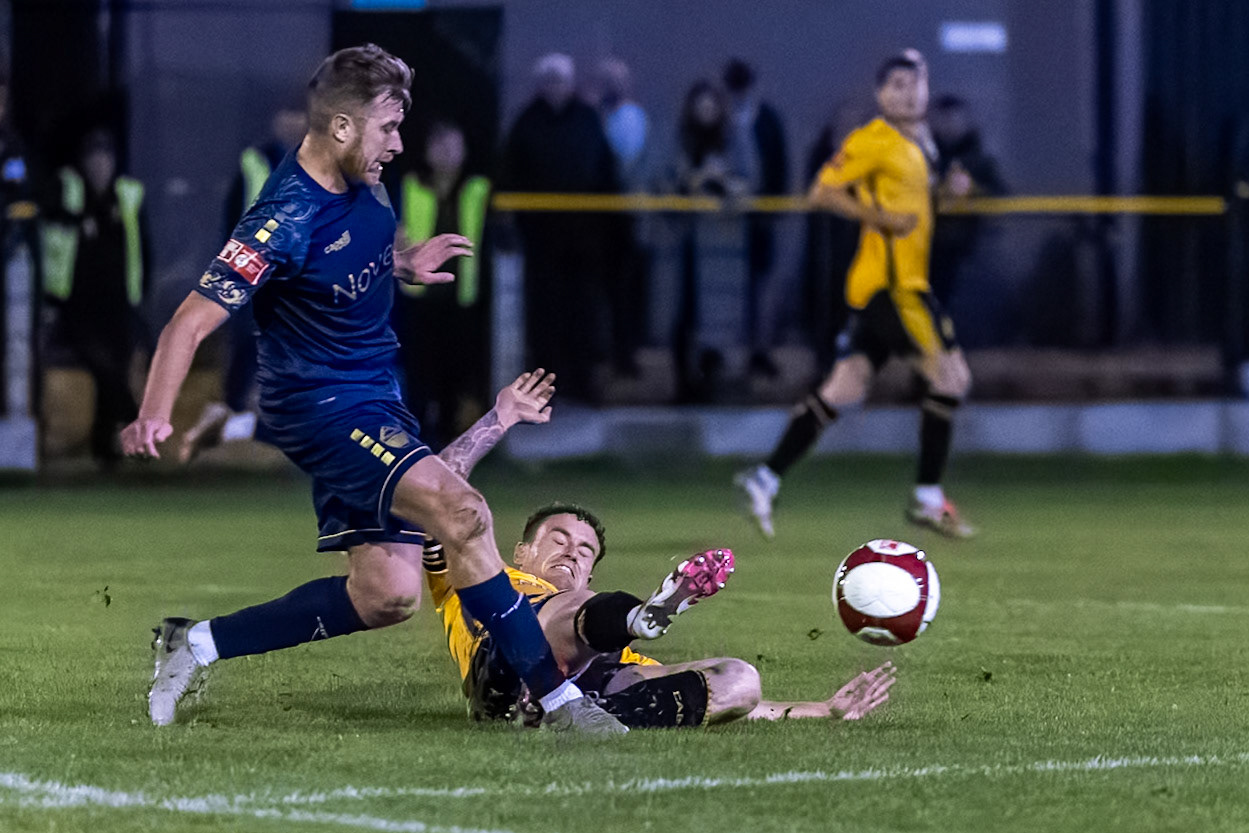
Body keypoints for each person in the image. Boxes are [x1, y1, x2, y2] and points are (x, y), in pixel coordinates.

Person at [121, 44, 626, 735]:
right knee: (464, 512)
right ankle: (559, 700)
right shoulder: (281, 217)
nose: (397, 143)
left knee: (387, 594)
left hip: (375, 396)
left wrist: (403, 262)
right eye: (387, 128)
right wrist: (153, 413)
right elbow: (187, 324)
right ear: (340, 128)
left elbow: (350, 257)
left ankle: (193, 644)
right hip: (320, 405)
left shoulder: (368, 182)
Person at [734, 53, 975, 540]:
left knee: (842, 389)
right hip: (892, 287)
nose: (909, 93)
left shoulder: (923, 141)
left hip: (897, 284)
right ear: (881, 93)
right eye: (898, 85)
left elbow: (921, 208)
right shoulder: (872, 139)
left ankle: (765, 477)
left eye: (917, 84)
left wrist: (952, 195)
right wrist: (879, 218)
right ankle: (928, 497)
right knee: (951, 379)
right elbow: (822, 191)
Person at [424, 503, 895, 728]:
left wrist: (824, 710)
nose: (571, 552)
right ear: (522, 551)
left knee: (740, 678)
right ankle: (641, 618)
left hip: (582, 674)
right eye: (558, 539)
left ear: (591, 572)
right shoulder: (478, 575)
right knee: (557, 617)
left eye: (585, 550)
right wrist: (500, 420)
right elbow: (434, 514)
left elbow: (741, 703)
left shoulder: (605, 638)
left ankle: (577, 716)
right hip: (502, 678)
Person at [180, 102, 308, 463]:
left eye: (300, 113)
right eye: (289, 113)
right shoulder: (255, 162)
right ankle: (230, 417)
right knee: (251, 346)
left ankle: (236, 423)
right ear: (274, 120)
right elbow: (234, 218)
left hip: (294, 280)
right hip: (256, 275)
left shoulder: (317, 162)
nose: (296, 120)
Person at [501, 53, 619, 402]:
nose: (555, 86)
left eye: (560, 79)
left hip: (584, 240)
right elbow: (511, 172)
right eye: (549, 79)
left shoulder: (587, 119)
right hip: (541, 241)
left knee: (583, 313)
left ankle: (584, 382)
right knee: (545, 317)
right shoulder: (527, 122)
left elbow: (604, 172)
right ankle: (545, 388)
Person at [42, 128, 147, 468]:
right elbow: (48, 225)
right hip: (76, 300)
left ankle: (105, 450)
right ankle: (135, 420)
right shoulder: (68, 189)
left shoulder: (128, 194)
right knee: (102, 367)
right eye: (93, 158)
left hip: (118, 299)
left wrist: (141, 289)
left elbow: (142, 244)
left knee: (114, 367)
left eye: (105, 158)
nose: (100, 165)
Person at [393, 119, 491, 448]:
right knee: (418, 375)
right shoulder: (410, 185)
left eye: (453, 145)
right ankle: (416, 446)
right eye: (440, 145)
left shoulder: (478, 189)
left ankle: (448, 444)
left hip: (462, 298)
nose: (447, 152)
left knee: (454, 376)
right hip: (419, 297)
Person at [722, 58, 789, 379]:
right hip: (725, 220)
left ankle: (759, 351)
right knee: (727, 288)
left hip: (759, 216)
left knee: (761, 286)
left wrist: (774, 208)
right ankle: (726, 353)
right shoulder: (721, 119)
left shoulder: (767, 118)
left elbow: (779, 162)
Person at [928, 94, 1007, 307]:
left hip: (975, 251)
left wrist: (973, 189)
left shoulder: (981, 162)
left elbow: (1002, 199)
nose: (949, 124)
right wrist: (938, 190)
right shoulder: (923, 158)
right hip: (930, 254)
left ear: (966, 121)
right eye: (944, 119)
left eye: (955, 118)